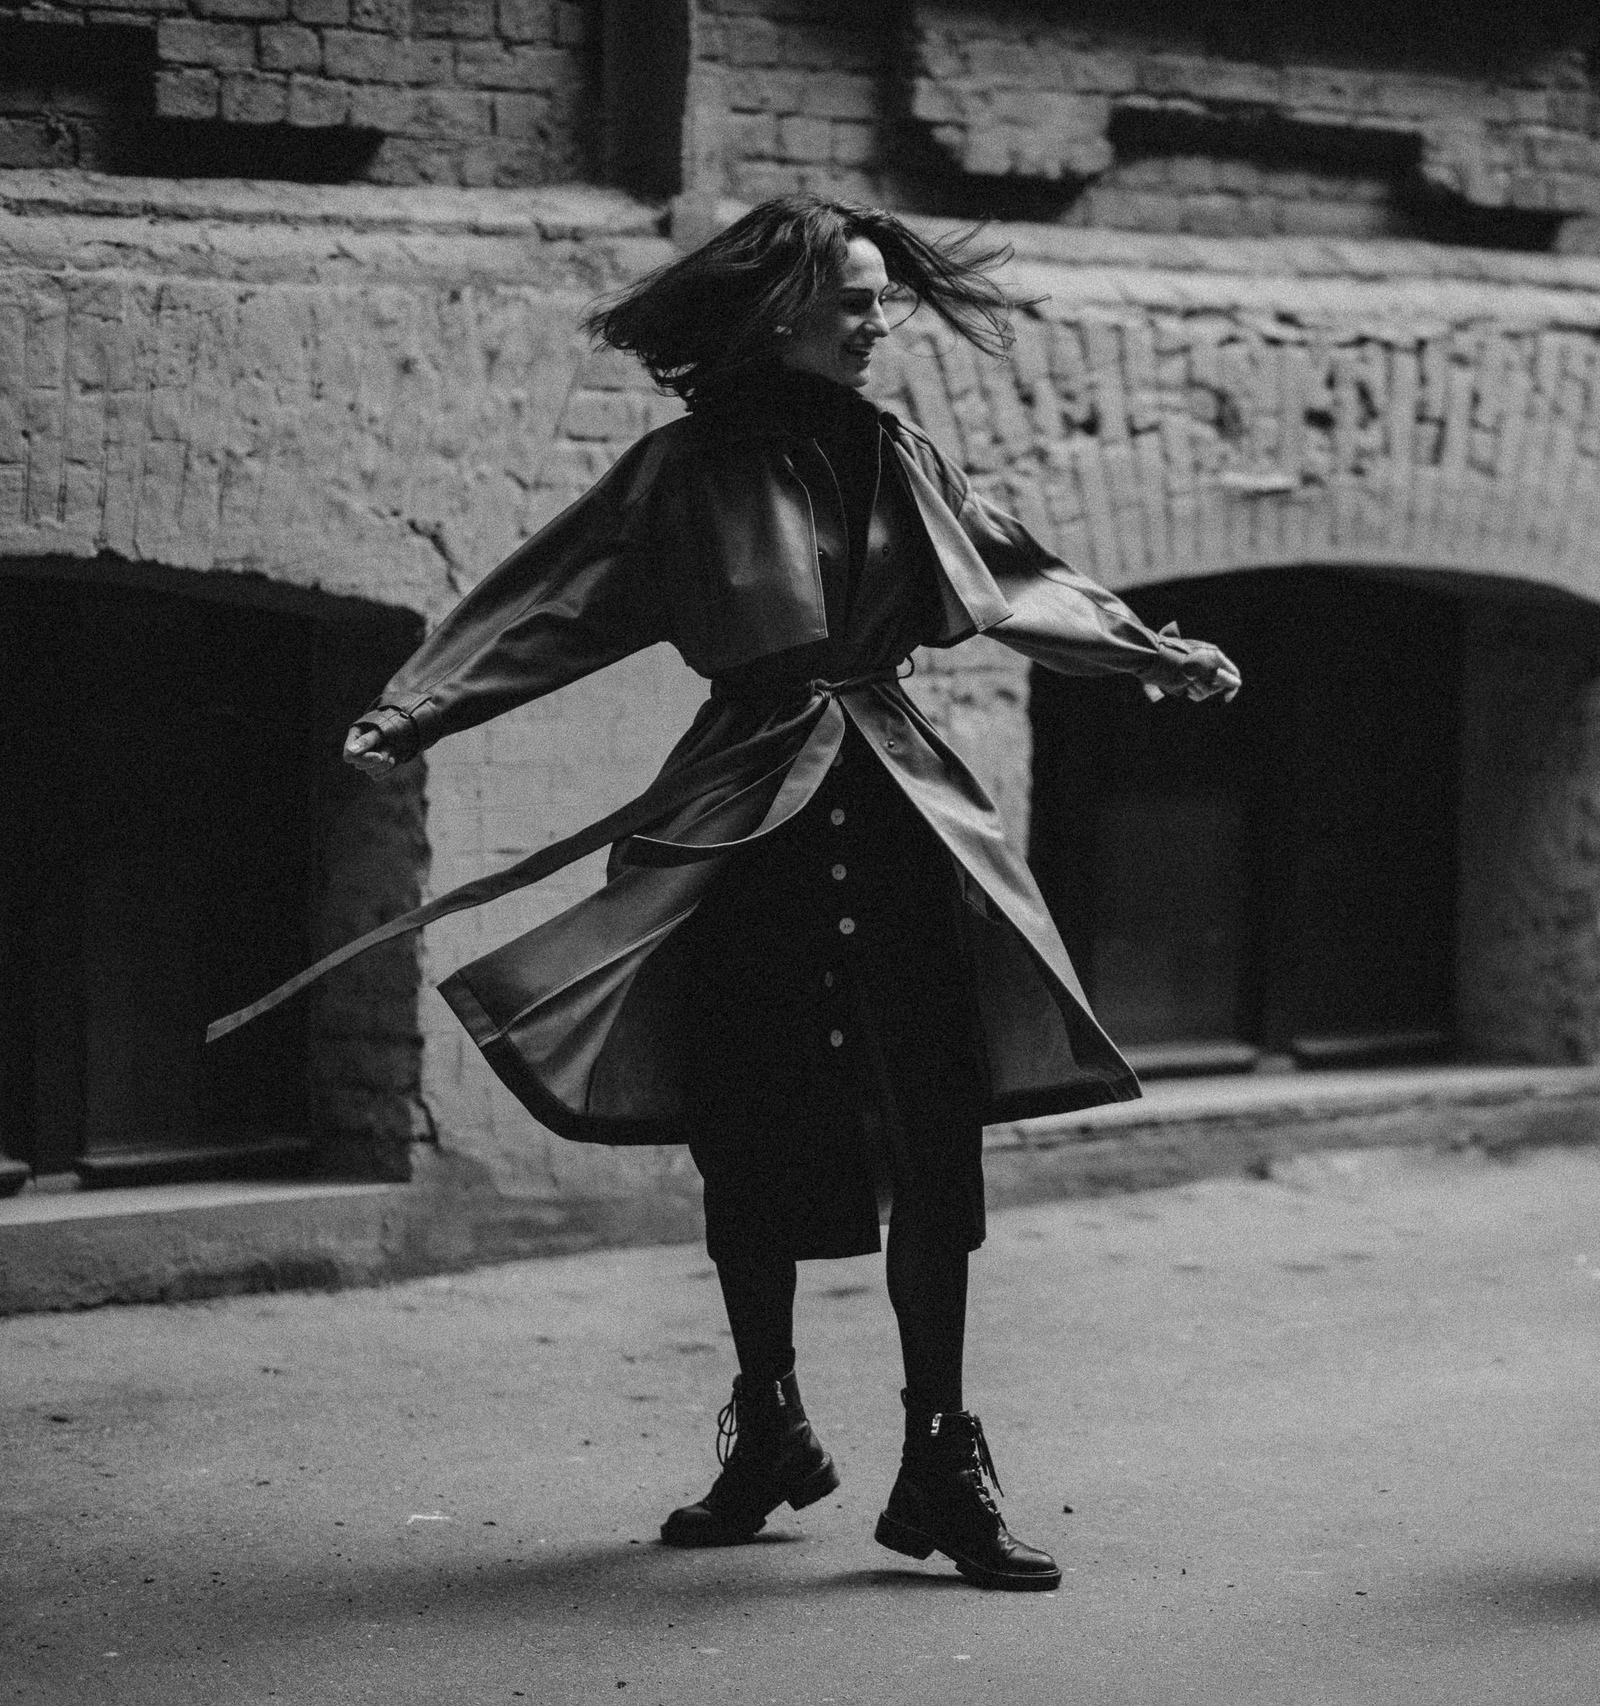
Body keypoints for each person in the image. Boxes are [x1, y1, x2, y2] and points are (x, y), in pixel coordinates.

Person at [211, 197, 1239, 1591]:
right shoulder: (682, 470)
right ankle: (768, 1427)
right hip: (745, 820)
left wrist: (1147, 650)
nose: (880, 325)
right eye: (856, 303)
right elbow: (553, 598)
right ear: (780, 315)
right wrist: (414, 709)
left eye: (883, 300)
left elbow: (1012, 573)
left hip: (902, 816)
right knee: (746, 1137)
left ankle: (942, 1460)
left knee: (936, 1141)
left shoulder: (896, 452)